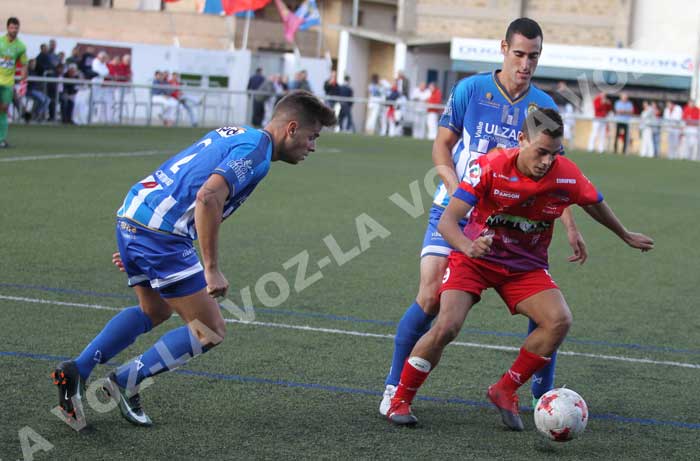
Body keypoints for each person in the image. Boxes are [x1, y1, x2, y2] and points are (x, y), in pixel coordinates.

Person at [51, 90, 337, 427]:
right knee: (210, 330)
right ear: (291, 128)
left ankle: (78, 369)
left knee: (154, 310)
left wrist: (136, 240)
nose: (312, 146)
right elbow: (207, 197)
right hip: (161, 234)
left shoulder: (236, 133)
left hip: (135, 215)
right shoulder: (256, 153)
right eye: (312, 136)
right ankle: (125, 381)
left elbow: (185, 179)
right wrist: (211, 268)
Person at [386, 108, 654, 428]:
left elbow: (593, 201)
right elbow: (447, 221)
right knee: (447, 326)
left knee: (558, 321)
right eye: (541, 152)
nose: (547, 161)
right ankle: (400, 398)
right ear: (522, 139)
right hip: (475, 259)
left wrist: (624, 234)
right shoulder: (490, 166)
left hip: (525, 265)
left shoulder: (566, 173)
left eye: (554, 153)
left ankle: (505, 388)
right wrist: (468, 246)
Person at [378, 17, 587, 417]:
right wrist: (457, 188)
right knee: (430, 296)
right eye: (519, 54)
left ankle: (541, 395)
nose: (526, 64)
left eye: (534, 56)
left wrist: (570, 225)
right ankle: (393, 385)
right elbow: (442, 145)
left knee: (542, 300)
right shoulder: (470, 89)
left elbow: (554, 173)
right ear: (503, 49)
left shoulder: (542, 104)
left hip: (512, 223)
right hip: (456, 211)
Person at [0, 17, 27, 147]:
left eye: (16, 28)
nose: (14, 30)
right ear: (7, 28)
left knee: (4, 109)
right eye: (12, 27)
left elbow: (24, 64)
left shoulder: (20, 46)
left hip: (8, 82)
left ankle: (1, 139)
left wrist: (23, 80)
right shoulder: (0, 42)